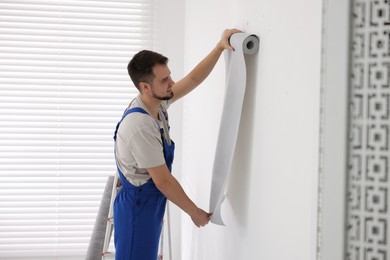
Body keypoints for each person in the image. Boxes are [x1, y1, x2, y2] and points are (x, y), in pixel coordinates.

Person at [112, 28, 241, 260]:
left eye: (169, 75)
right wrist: (195, 213)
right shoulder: (139, 125)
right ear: (145, 87)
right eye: (164, 80)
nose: (171, 82)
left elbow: (192, 79)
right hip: (137, 209)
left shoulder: (156, 103)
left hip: (148, 204)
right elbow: (163, 181)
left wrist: (219, 47)